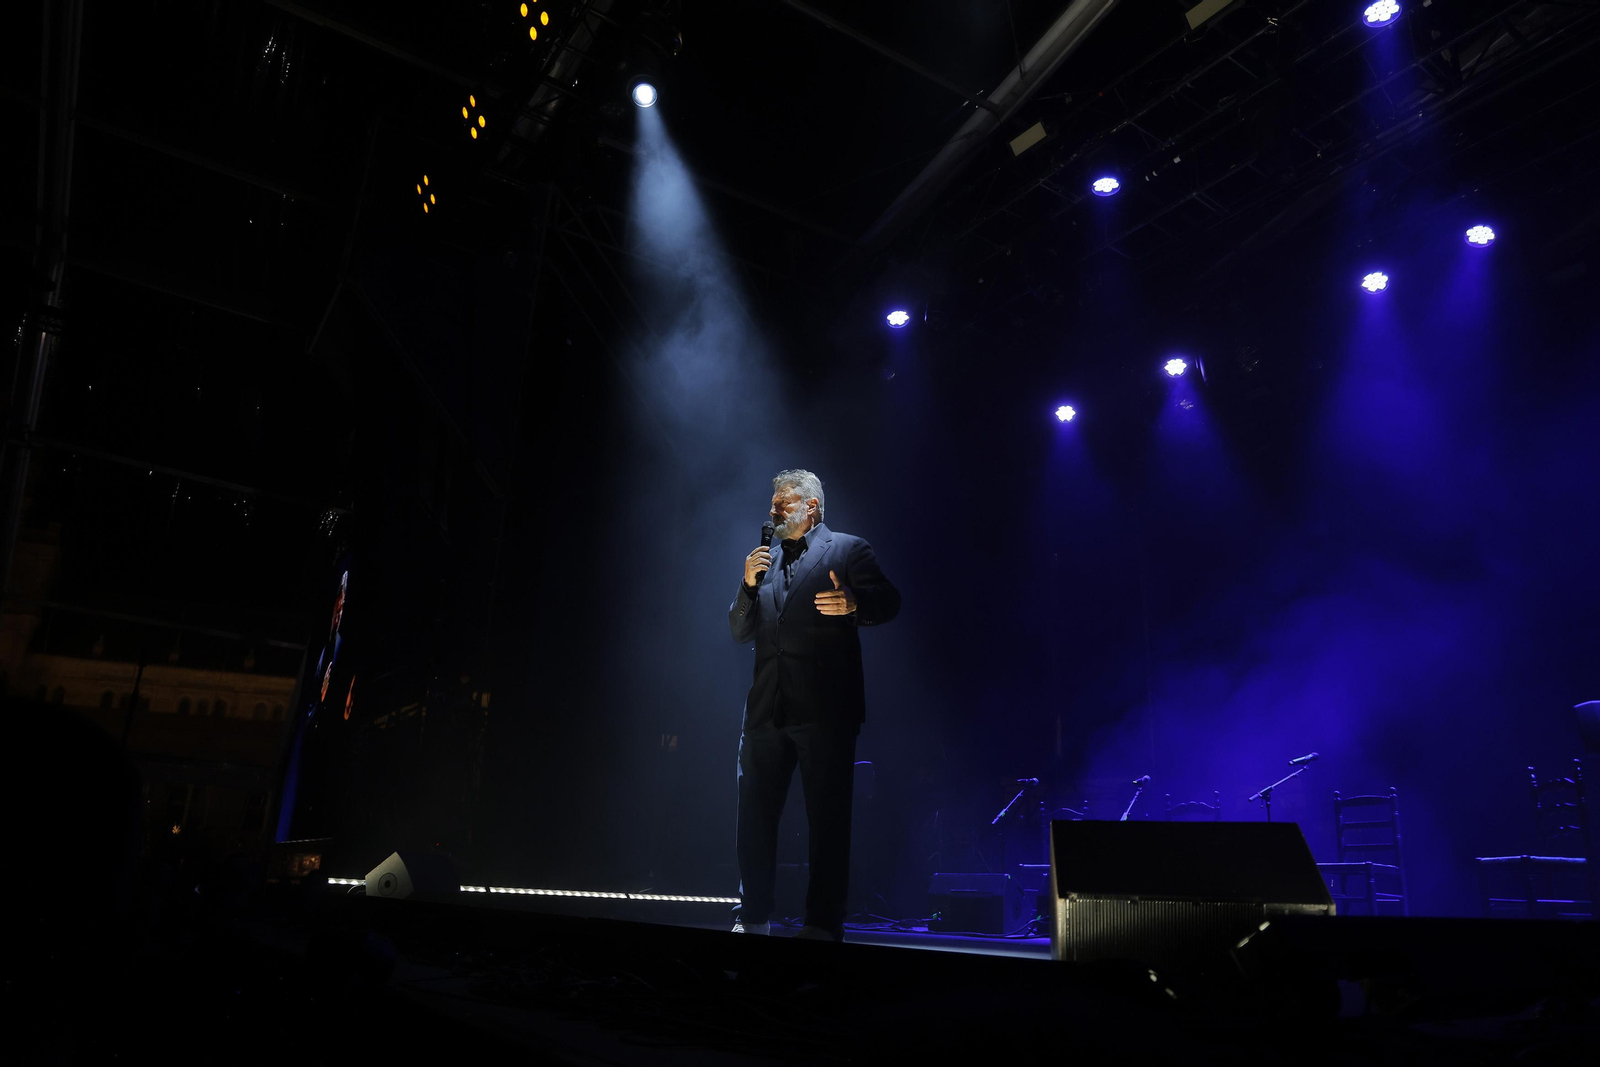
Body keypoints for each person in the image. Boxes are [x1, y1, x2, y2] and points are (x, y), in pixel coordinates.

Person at [728, 469, 900, 941]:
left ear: (812, 508)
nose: (773, 511)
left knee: (826, 821)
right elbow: (739, 631)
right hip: (765, 711)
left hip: (825, 710)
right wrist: (746, 586)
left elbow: (889, 601)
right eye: (773, 503)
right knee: (754, 822)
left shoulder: (847, 549)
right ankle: (755, 916)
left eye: (783, 503)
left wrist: (854, 604)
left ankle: (822, 925)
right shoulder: (764, 561)